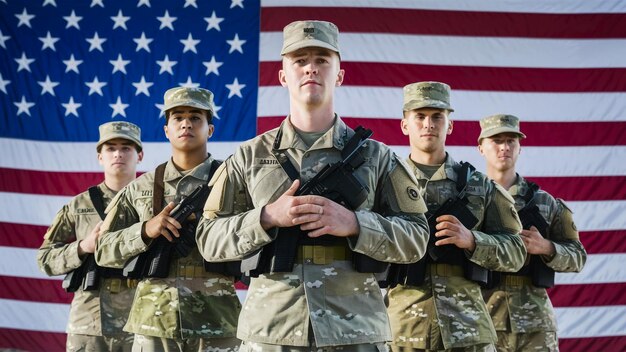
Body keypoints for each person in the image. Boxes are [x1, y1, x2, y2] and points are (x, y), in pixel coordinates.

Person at [195, 20, 430, 351]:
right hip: (272, 330)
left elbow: (417, 237)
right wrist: (265, 217)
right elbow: (208, 239)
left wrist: (355, 224)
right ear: (283, 76)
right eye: (299, 60)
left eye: (322, 60)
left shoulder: (376, 156)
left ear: (339, 74)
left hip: (355, 329)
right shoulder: (249, 156)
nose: (311, 69)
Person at [95, 87, 241, 352]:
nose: (186, 123)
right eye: (178, 117)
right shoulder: (140, 188)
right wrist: (144, 231)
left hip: (218, 322)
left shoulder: (233, 180)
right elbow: (103, 250)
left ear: (210, 129)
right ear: (166, 130)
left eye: (196, 117)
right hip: (154, 325)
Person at [385, 82, 527, 352]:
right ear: (405, 125)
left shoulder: (478, 185)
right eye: (420, 116)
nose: (429, 124)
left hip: (468, 329)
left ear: (449, 125)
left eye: (437, 116)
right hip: (405, 329)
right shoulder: (386, 181)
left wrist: (473, 240)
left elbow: (517, 250)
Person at [477, 114, 587, 352]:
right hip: (481, 320)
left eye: (511, 141)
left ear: (520, 148)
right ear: (481, 148)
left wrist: (547, 247)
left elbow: (578, 256)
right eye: (496, 140)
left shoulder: (544, 202)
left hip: (535, 323)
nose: (504, 147)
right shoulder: (469, 200)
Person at [37, 121, 143, 351]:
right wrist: (82, 247)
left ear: (140, 155)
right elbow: (44, 260)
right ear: (100, 157)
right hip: (90, 323)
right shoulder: (78, 205)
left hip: (142, 321)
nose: (118, 153)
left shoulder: (153, 203)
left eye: (126, 147)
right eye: (110, 148)